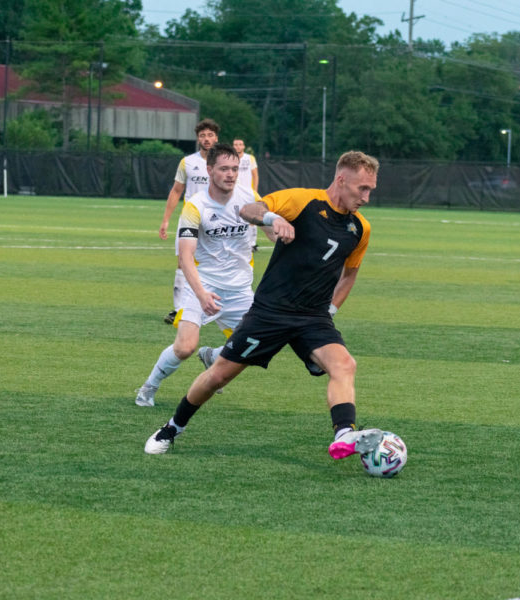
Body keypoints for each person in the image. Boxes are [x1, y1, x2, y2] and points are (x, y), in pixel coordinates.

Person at [145, 151, 384, 461]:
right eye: (362, 189)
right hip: (271, 312)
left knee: (344, 365)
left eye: (370, 190)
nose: (366, 197)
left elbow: (349, 275)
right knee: (218, 376)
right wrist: (274, 219)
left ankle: (344, 433)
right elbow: (249, 209)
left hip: (313, 317)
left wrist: (331, 311)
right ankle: (172, 428)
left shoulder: (360, 229)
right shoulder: (302, 200)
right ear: (341, 179)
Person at [135, 144, 273, 407]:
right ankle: (148, 387)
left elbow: (271, 231)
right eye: (224, 169)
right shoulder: (195, 206)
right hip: (202, 285)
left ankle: (214, 356)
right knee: (185, 347)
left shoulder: (249, 196)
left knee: (261, 344)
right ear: (210, 170)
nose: (231, 174)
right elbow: (185, 256)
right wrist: (201, 294)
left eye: (235, 168)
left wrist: (281, 230)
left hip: (241, 290)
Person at [160, 118, 220, 325]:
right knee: (183, 262)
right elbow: (176, 190)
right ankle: (179, 309)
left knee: (216, 261)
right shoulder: (188, 162)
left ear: (216, 138)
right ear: (197, 139)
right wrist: (166, 220)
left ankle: (215, 306)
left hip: (215, 220)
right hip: (190, 219)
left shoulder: (223, 162)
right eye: (203, 135)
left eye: (210, 135)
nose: (206, 139)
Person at [232, 137, 261, 252]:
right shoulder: (230, 159)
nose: (238, 146)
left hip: (248, 194)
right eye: (235, 144)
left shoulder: (250, 158)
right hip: (234, 194)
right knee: (236, 219)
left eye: (240, 144)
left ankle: (252, 244)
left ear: (243, 146)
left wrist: (254, 191)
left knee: (252, 219)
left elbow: (255, 175)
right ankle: (239, 242)